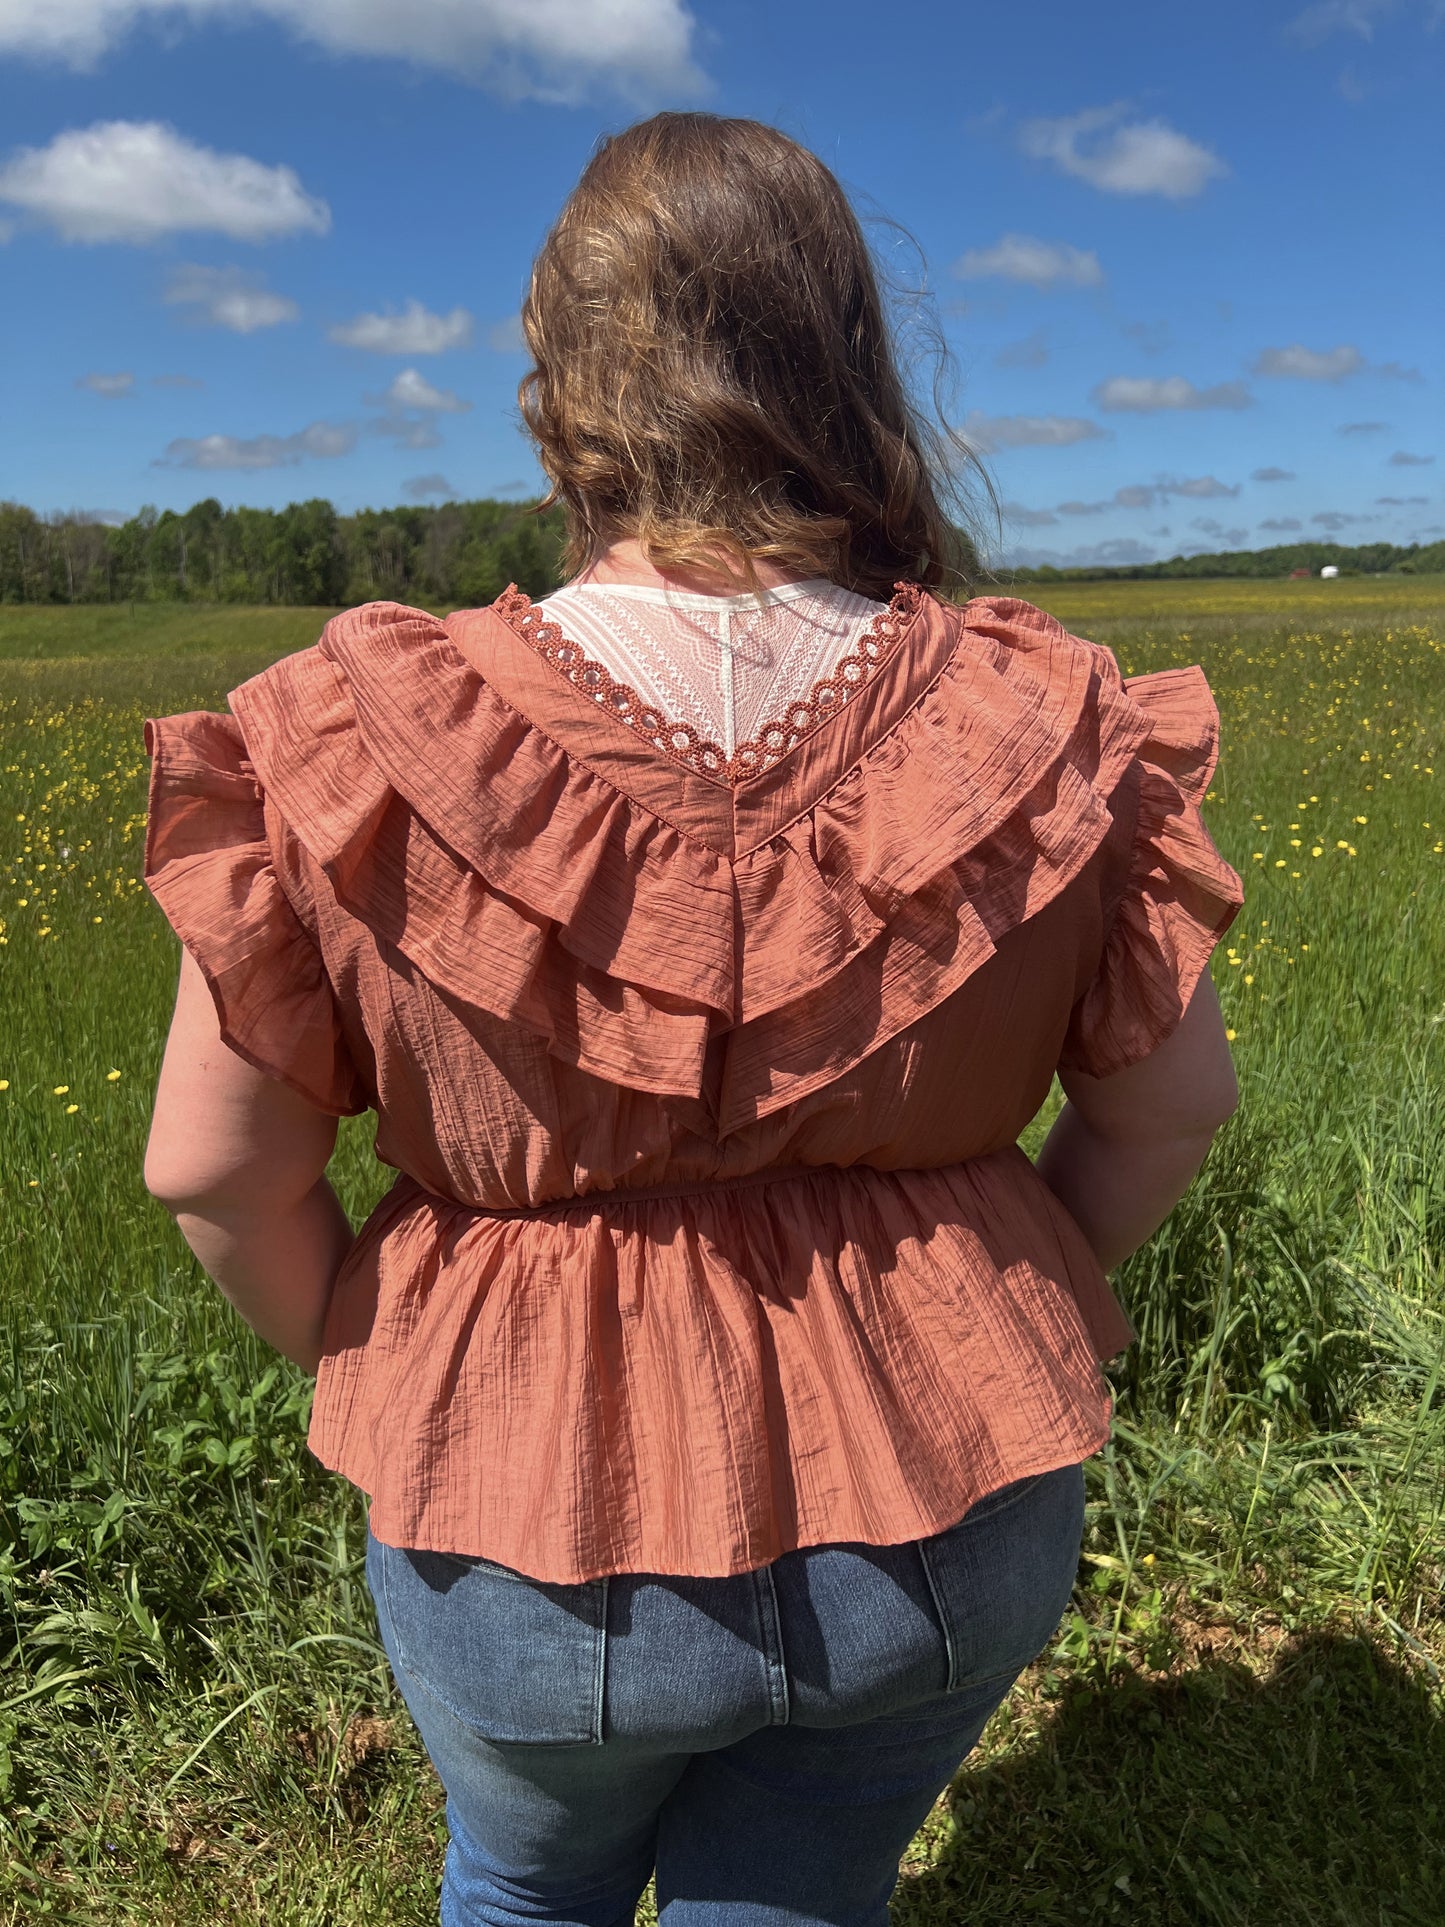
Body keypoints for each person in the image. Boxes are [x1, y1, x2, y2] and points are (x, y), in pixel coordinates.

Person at [141, 112, 1244, 1927]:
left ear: (560, 380)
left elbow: (210, 1172)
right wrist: (1001, 1262)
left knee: (522, 1883)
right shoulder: (1047, 717)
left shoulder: (352, 732)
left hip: (518, 1500)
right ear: (844, 358)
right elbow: (1168, 1111)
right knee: (803, 1897)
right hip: (955, 1475)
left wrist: (374, 1347)